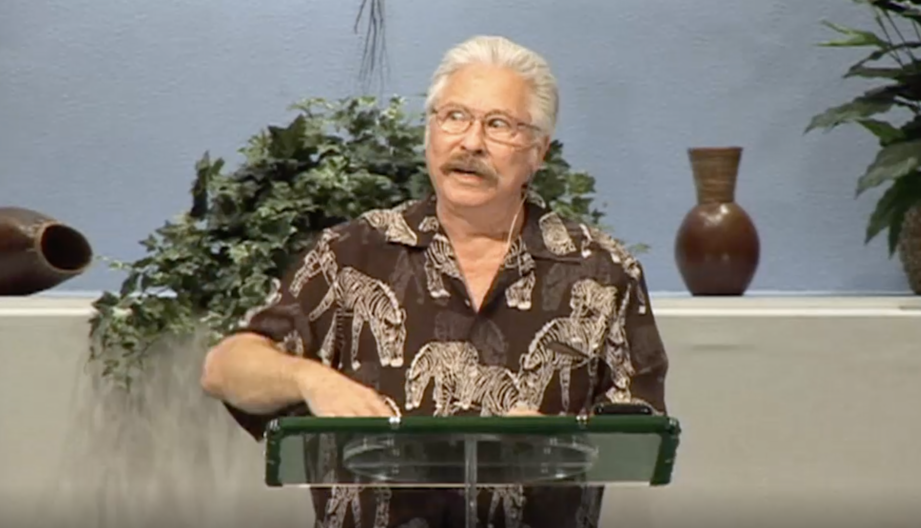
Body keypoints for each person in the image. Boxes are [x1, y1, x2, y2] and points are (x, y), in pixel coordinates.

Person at [201, 34, 669, 528]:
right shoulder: (351, 253)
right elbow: (225, 367)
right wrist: (310, 378)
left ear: (539, 151)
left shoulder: (601, 269)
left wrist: (561, 441)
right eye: (454, 117)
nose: (471, 142)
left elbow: (639, 431)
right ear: (430, 133)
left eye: (498, 125)